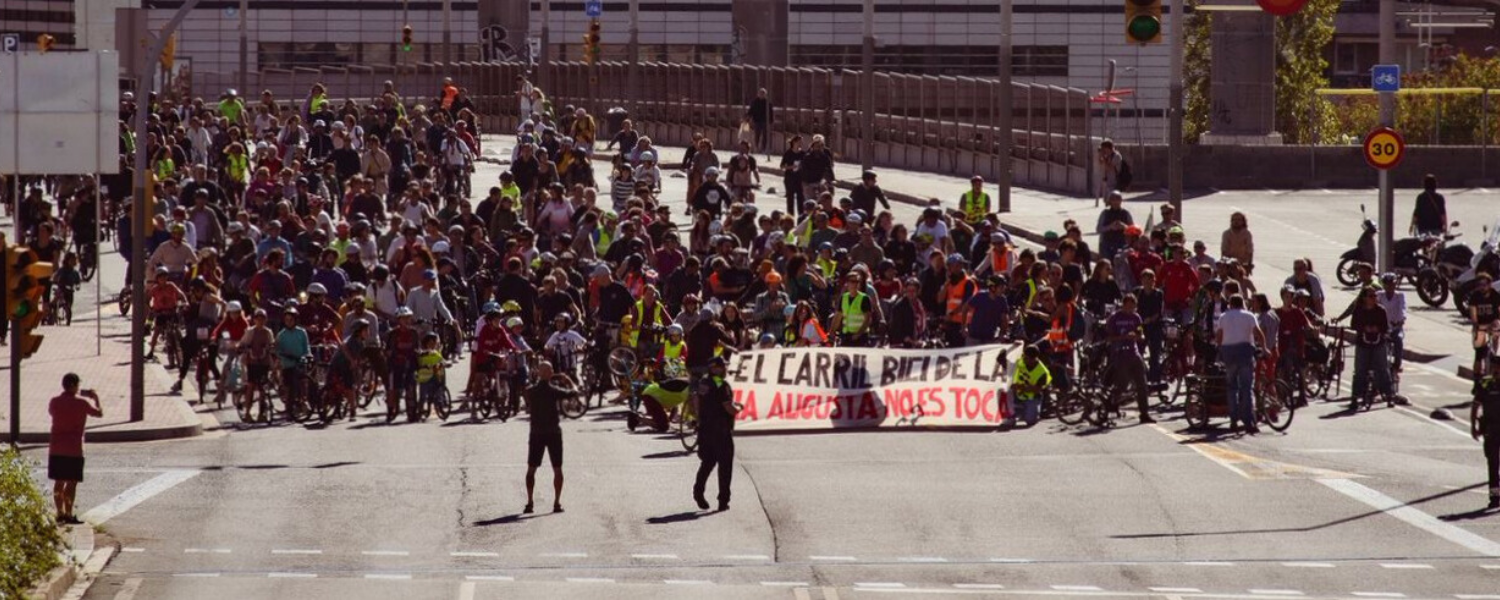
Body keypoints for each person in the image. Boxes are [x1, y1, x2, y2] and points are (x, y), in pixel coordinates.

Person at [49, 373, 103, 525]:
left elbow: (52, 413)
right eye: (78, 384)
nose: (79, 387)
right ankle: (68, 513)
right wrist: (95, 398)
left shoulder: (54, 402)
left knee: (59, 482)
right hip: (74, 449)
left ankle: (59, 513)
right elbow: (99, 413)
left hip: (56, 447)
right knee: (71, 483)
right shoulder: (82, 403)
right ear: (73, 385)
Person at [693, 356, 740, 511]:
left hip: (705, 428)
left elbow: (696, 399)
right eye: (722, 366)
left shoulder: (703, 382)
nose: (725, 369)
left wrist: (699, 418)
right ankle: (723, 501)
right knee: (725, 466)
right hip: (721, 430)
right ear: (716, 368)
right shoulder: (721, 384)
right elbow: (728, 407)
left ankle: (698, 491)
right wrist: (739, 410)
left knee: (707, 462)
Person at [524, 360, 569, 514]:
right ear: (551, 373)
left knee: (531, 469)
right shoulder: (554, 390)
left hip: (536, 433)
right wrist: (567, 380)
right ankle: (557, 502)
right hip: (553, 433)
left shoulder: (531, 391)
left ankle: (530, 502)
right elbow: (574, 393)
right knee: (557, 468)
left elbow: (527, 397)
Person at [1215, 295, 1265, 434]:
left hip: (1229, 353)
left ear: (1230, 304)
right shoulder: (1249, 316)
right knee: (1246, 388)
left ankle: (1233, 420)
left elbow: (1219, 335)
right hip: (1245, 352)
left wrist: (1219, 349)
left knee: (1232, 387)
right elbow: (1258, 333)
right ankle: (1249, 421)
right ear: (1242, 303)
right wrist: (1264, 348)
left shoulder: (1223, 317)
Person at [1104, 294, 1154, 424]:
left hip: (1134, 353)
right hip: (1120, 353)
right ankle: (1111, 403)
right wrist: (1124, 337)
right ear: (1123, 305)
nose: (1131, 309)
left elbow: (1141, 334)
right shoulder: (1115, 318)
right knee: (1122, 384)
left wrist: (1138, 337)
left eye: (1133, 307)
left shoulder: (1136, 318)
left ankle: (1144, 413)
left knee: (1142, 384)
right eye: (1128, 306)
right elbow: (1109, 337)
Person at [1471, 356, 1500, 509]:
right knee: (1493, 463)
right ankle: (1495, 496)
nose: (1496, 370)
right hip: (1490, 429)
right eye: (1494, 367)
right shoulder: (1485, 383)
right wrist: (1473, 425)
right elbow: (1476, 404)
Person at [1095, 191, 1132, 260]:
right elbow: (1098, 229)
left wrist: (1124, 226)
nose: (1115, 202)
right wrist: (1110, 227)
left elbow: (1133, 230)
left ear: (1121, 201)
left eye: (1117, 199)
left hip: (1122, 243)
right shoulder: (1105, 213)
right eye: (1113, 200)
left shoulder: (1125, 213)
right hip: (1107, 244)